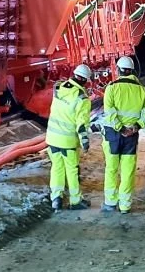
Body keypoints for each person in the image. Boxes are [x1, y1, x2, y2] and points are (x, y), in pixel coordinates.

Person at [102, 56, 145, 213]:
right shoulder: (142, 90)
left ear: (118, 70)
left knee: (111, 169)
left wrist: (119, 128)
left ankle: (110, 203)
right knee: (128, 170)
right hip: (132, 135)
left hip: (113, 135)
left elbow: (109, 112)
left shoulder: (111, 88)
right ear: (132, 70)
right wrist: (137, 126)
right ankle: (125, 205)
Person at [47, 64, 94, 210]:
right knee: (72, 170)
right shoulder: (82, 98)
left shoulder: (59, 88)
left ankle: (56, 199)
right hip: (68, 141)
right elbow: (81, 125)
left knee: (56, 168)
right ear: (85, 80)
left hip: (52, 139)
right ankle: (75, 200)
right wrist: (85, 142)